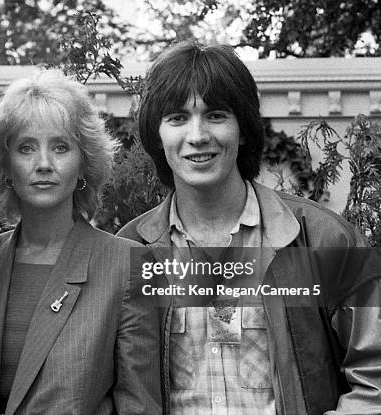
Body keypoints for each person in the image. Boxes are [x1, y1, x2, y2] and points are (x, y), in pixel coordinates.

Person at [117, 41, 381, 414]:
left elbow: (375, 375)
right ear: (157, 136)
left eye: (216, 115)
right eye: (177, 118)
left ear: (243, 128)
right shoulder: (128, 252)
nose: (197, 135)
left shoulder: (326, 240)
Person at [0, 70, 162, 415]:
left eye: (60, 147)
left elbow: (139, 404)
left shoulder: (128, 265)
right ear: (6, 166)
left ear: (83, 164)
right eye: (26, 148)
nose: (44, 164)